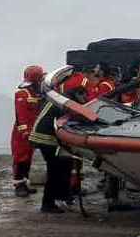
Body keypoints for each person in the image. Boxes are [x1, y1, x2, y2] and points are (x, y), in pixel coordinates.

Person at [29, 73, 87, 213]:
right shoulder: (67, 102)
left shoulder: (61, 98)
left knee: (64, 165)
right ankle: (47, 204)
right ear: (78, 94)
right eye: (84, 96)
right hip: (46, 137)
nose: (85, 100)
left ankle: (63, 195)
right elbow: (77, 120)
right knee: (55, 170)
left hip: (43, 135)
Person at [11, 65, 44, 197]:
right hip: (22, 133)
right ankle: (19, 185)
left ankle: (24, 183)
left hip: (32, 131)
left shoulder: (36, 93)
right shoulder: (22, 94)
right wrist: (25, 132)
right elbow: (21, 116)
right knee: (21, 158)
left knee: (28, 158)